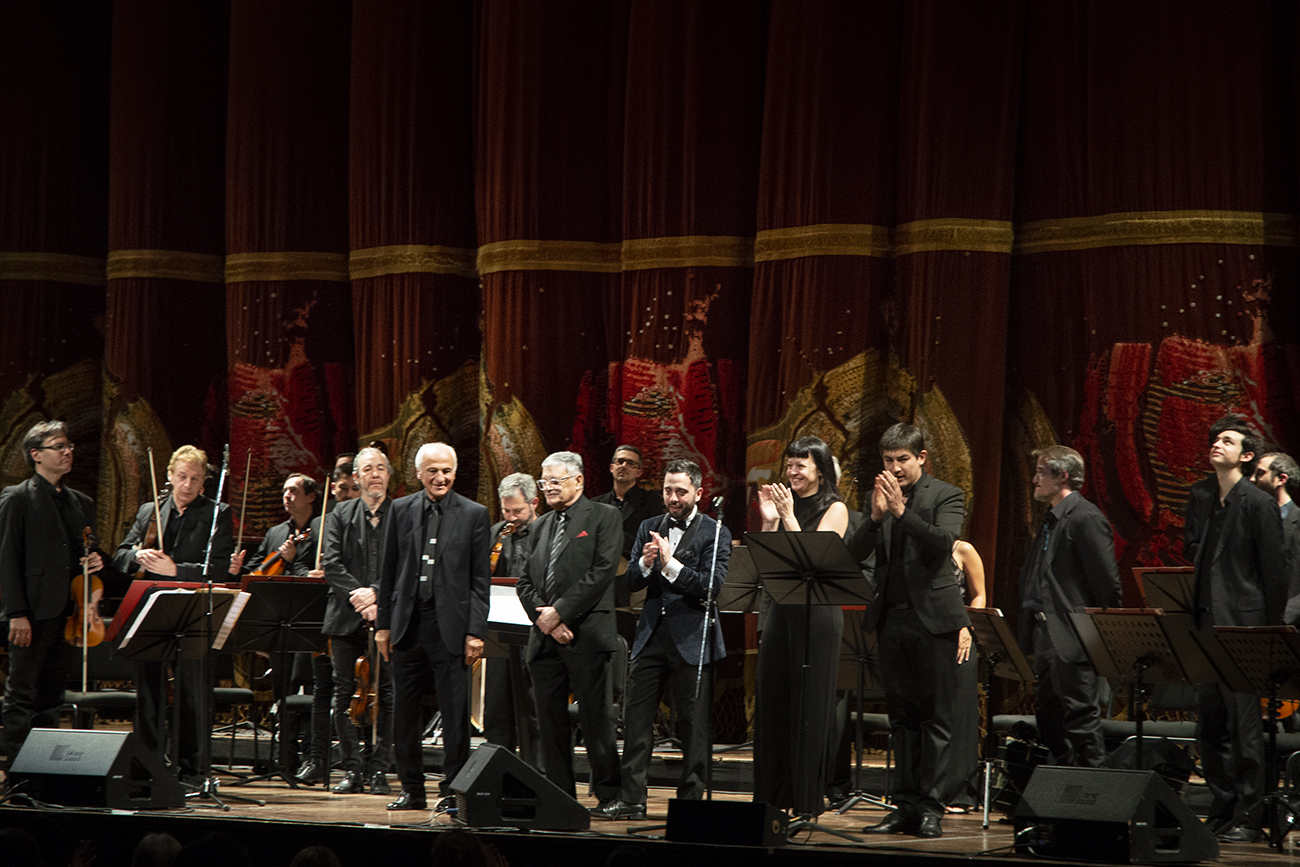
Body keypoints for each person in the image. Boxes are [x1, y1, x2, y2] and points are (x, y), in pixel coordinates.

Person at [850, 423, 966, 839]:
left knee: (935, 717)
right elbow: (853, 555)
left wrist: (902, 512)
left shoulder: (946, 495)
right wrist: (876, 517)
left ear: (921, 458)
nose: (895, 468)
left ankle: (931, 807)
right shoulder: (876, 497)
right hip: (891, 618)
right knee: (901, 719)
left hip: (933, 619)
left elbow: (943, 541)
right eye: (888, 460)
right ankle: (904, 806)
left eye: (902, 459)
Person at [597, 459, 730, 820]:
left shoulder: (715, 532)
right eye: (668, 491)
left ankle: (689, 805)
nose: (673, 497)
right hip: (651, 636)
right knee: (637, 721)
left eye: (681, 491)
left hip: (692, 638)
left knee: (693, 725)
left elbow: (710, 588)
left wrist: (671, 565)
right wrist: (642, 564)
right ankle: (632, 800)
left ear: (698, 493)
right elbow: (632, 586)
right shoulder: (648, 526)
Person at [1184, 415, 1287, 842]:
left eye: (1227, 441)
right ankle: (1223, 807)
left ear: (1246, 456)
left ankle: (1250, 813)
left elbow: (1275, 573)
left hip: (1245, 627)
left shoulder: (1258, 503)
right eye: (1215, 439)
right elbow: (1194, 552)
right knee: (1209, 726)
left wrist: (1269, 632)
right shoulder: (1203, 496)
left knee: (1245, 728)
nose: (1216, 444)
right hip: (1206, 624)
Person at [377, 442, 490, 811]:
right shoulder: (400, 509)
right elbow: (388, 571)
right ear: (418, 473)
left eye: (446, 471)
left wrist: (475, 631)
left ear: (455, 473)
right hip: (407, 626)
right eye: (432, 471)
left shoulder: (474, 514)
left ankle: (451, 791)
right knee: (405, 714)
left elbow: (479, 580)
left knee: (455, 715)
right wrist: (383, 626)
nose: (440, 478)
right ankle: (411, 789)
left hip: (451, 628)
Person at [112, 445, 235, 779]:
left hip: (191, 609)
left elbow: (219, 569)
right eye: (182, 476)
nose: (187, 485)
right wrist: (136, 556)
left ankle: (190, 768)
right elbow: (120, 556)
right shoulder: (150, 511)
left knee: (191, 693)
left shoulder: (217, 513)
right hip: (150, 607)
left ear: (203, 482)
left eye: (195, 478)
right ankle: (146, 764)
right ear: (169, 475)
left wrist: (176, 570)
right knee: (148, 691)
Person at [516, 451, 623, 812]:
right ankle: (560, 794)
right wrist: (544, 619)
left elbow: (602, 571)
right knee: (550, 723)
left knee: (596, 721)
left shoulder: (604, 517)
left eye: (555, 481)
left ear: (578, 480)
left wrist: (560, 614)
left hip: (587, 635)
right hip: (545, 640)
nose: (548, 488)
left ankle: (608, 793)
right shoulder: (540, 525)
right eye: (544, 481)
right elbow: (525, 582)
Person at [752, 436, 849, 818]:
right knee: (773, 700)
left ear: (820, 471)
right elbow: (768, 561)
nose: (792, 472)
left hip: (818, 613)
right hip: (781, 607)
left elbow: (812, 562)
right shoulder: (782, 505)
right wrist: (769, 519)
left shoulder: (836, 508)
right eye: (789, 465)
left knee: (809, 706)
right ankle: (772, 799)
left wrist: (788, 516)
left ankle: (807, 801)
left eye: (800, 465)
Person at [0, 420, 102, 767]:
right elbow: (7, 559)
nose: (67, 451)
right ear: (36, 455)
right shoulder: (17, 498)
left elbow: (82, 553)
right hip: (32, 610)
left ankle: (44, 771)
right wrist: (16, 613)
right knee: (21, 695)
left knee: (51, 697)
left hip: (69, 614)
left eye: (68, 445)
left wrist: (94, 559)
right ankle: (19, 772)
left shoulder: (80, 503)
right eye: (58, 446)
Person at [1017, 446, 1120, 771]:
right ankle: (1062, 797)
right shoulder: (1052, 518)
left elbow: (1107, 585)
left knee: (1080, 718)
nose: (1034, 479)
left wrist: (1097, 636)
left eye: (1041, 471)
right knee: (1048, 719)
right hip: (1046, 634)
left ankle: (1093, 802)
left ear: (1062, 476)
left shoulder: (1085, 518)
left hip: (1073, 636)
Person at [311, 447, 396, 795]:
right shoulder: (340, 513)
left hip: (388, 615)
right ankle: (352, 768)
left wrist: (376, 593)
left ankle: (379, 768)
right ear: (356, 478)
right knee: (344, 693)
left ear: (388, 475)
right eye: (367, 469)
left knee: (386, 694)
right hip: (346, 616)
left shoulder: (402, 513)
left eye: (381, 468)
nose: (375, 474)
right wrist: (361, 598)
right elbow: (332, 564)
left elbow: (406, 564)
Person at [235, 473, 329, 783]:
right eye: (284, 491)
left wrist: (293, 562)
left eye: (293, 491)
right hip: (279, 624)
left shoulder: (323, 530)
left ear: (311, 497)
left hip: (311, 624)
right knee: (282, 693)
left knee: (314, 694)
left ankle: (313, 758)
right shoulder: (276, 532)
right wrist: (239, 570)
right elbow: (260, 570)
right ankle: (284, 759)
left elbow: (316, 578)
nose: (286, 496)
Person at [483, 473, 541, 751]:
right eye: (506, 510)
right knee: (496, 703)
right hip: (501, 627)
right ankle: (497, 766)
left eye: (517, 511)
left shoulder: (546, 531)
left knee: (534, 703)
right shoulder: (496, 533)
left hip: (535, 625)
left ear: (534, 503)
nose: (511, 517)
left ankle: (540, 772)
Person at [944, 539, 986, 810]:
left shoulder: (963, 549)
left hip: (960, 639)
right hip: (926, 638)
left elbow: (979, 594)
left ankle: (959, 792)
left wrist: (967, 628)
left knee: (960, 715)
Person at [1251, 451, 1300, 624]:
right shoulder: (1252, 520)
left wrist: (1284, 617)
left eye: (1260, 473)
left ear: (1281, 479)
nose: (1251, 479)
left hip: (1286, 627)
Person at [592, 445, 663, 560]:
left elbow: (653, 543)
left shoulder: (651, 502)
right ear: (611, 467)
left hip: (635, 569)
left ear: (639, 472)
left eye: (630, 463)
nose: (624, 466)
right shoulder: (595, 504)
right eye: (620, 461)